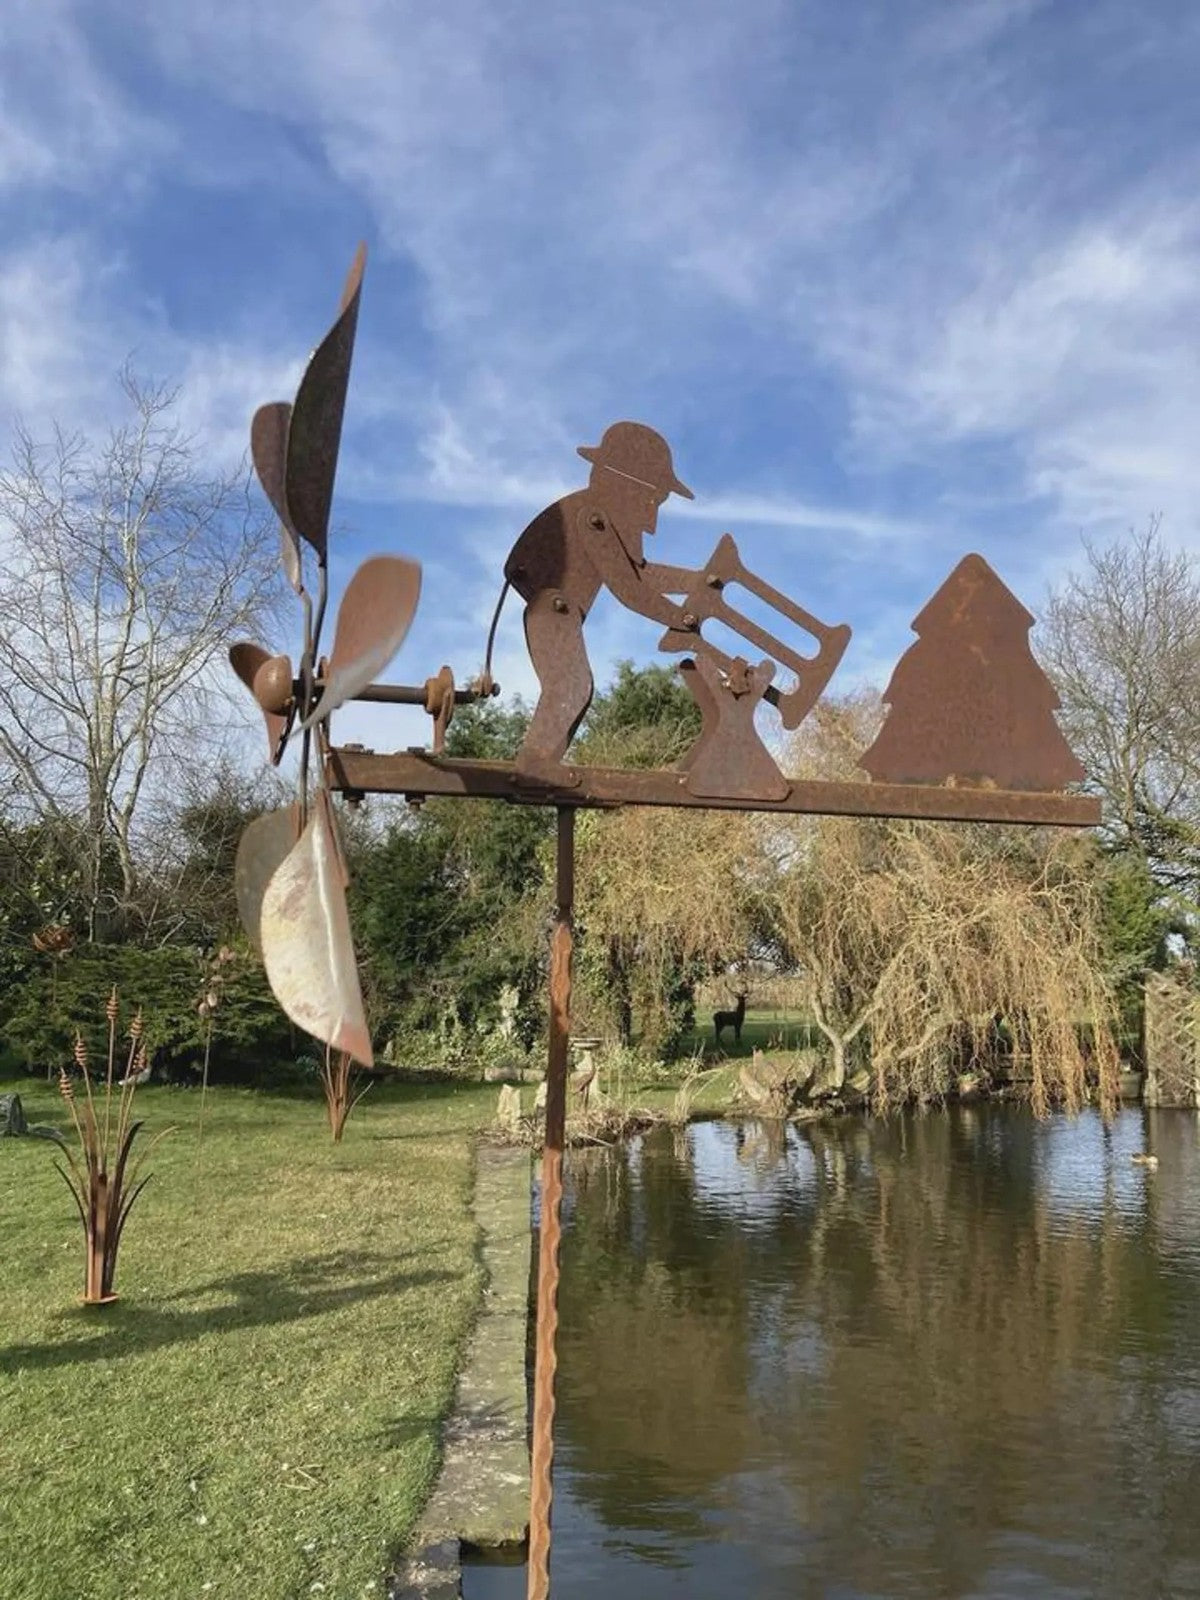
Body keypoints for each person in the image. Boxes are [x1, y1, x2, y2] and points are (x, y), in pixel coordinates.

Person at [502, 421, 699, 778]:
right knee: (572, 684)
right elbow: (629, 590)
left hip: (559, 609)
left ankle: (544, 763)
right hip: (553, 607)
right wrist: (682, 618)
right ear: (628, 486)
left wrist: (698, 582)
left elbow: (638, 573)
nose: (653, 514)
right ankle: (534, 763)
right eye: (653, 499)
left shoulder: (598, 519)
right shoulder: (591, 518)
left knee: (576, 688)